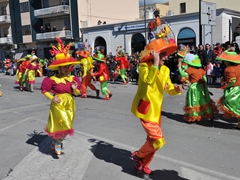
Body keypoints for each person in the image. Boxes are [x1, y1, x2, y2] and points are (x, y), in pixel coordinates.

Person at [131, 13, 182, 175]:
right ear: (154, 55)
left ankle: (143, 164)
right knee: (158, 141)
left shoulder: (165, 69)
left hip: (157, 111)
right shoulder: (145, 67)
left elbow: (168, 88)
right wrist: (154, 63)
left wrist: (176, 90)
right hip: (145, 110)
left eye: (166, 54)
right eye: (163, 54)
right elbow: (148, 81)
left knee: (152, 140)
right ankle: (138, 156)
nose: (166, 58)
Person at [41, 37, 81, 155]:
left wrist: (74, 90)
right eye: (64, 67)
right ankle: (58, 144)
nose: (66, 69)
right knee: (64, 125)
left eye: (67, 66)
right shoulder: (52, 79)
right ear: (59, 67)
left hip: (69, 103)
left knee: (67, 125)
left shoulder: (73, 79)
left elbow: (77, 93)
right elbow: (44, 91)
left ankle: (54, 143)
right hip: (58, 104)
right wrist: (53, 98)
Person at [179, 53, 218, 123]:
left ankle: (194, 116)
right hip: (202, 87)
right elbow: (205, 80)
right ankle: (210, 114)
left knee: (194, 102)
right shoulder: (201, 70)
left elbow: (183, 74)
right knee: (204, 101)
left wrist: (179, 68)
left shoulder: (190, 69)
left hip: (194, 87)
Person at [216, 51, 240, 129]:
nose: (224, 62)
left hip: (234, 89)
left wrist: (226, 86)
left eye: (225, 61)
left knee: (230, 105)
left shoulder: (229, 69)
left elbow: (232, 80)